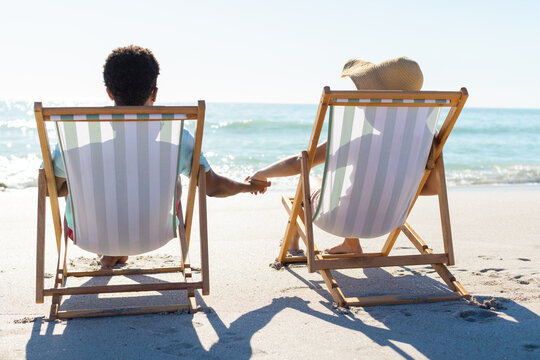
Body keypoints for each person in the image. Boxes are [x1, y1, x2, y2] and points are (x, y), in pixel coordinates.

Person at [51, 45, 269, 267]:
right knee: (174, 181)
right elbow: (212, 187)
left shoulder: (75, 144)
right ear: (154, 93)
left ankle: (111, 248)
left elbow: (52, 189)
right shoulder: (177, 141)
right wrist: (248, 186)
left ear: (109, 93)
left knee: (78, 181)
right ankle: (116, 250)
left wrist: (87, 178)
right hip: (153, 236)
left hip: (90, 236)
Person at [247, 56, 438, 255]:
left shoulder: (360, 139)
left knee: (309, 177)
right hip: (388, 221)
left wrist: (262, 173)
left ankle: (294, 240)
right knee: (362, 188)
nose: (362, 103)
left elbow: (300, 162)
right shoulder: (426, 142)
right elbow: (434, 188)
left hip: (340, 221)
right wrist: (394, 189)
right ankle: (349, 244)